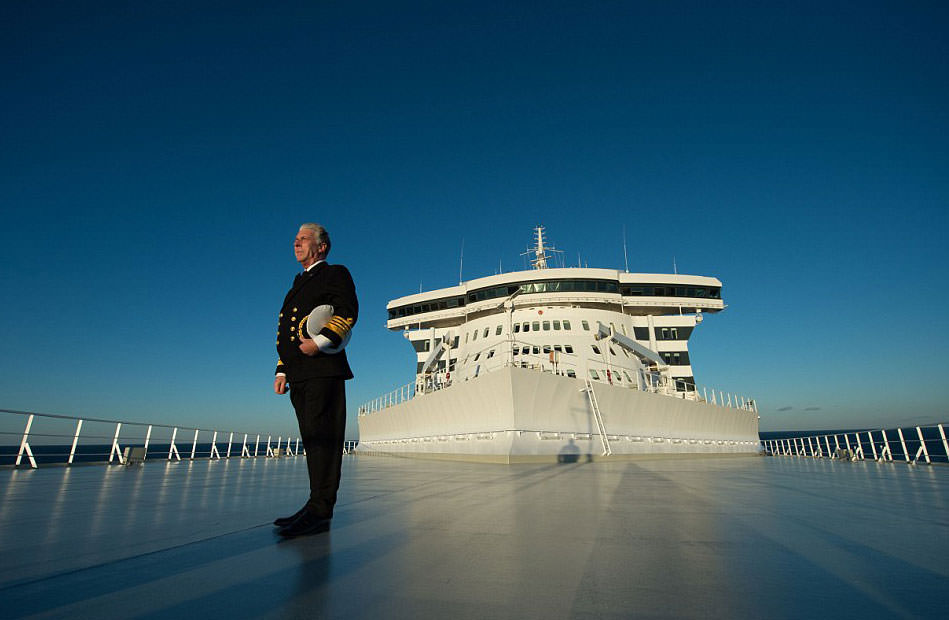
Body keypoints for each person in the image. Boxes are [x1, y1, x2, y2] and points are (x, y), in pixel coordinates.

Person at [272, 223, 358, 538]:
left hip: (323, 367)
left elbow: (347, 312)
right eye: (295, 238)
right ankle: (313, 505)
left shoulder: (335, 273)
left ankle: (321, 512)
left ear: (321, 247)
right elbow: (286, 333)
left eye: (304, 238)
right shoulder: (298, 283)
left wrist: (320, 341)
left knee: (324, 440)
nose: (296, 242)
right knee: (312, 441)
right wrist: (282, 369)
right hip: (299, 374)